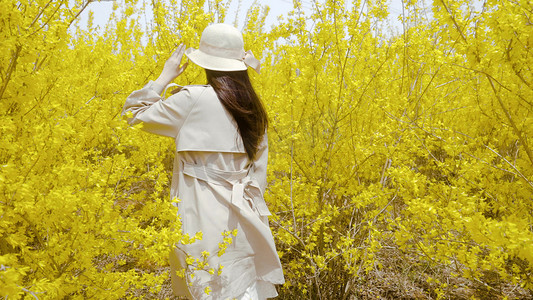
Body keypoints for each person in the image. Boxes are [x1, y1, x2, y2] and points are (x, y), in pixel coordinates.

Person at [122, 23, 285, 300]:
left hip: (200, 217)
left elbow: (133, 115)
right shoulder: (253, 106)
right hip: (245, 220)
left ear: (206, 63)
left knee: (206, 287)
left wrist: (164, 77)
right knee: (243, 288)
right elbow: (259, 174)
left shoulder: (192, 99)